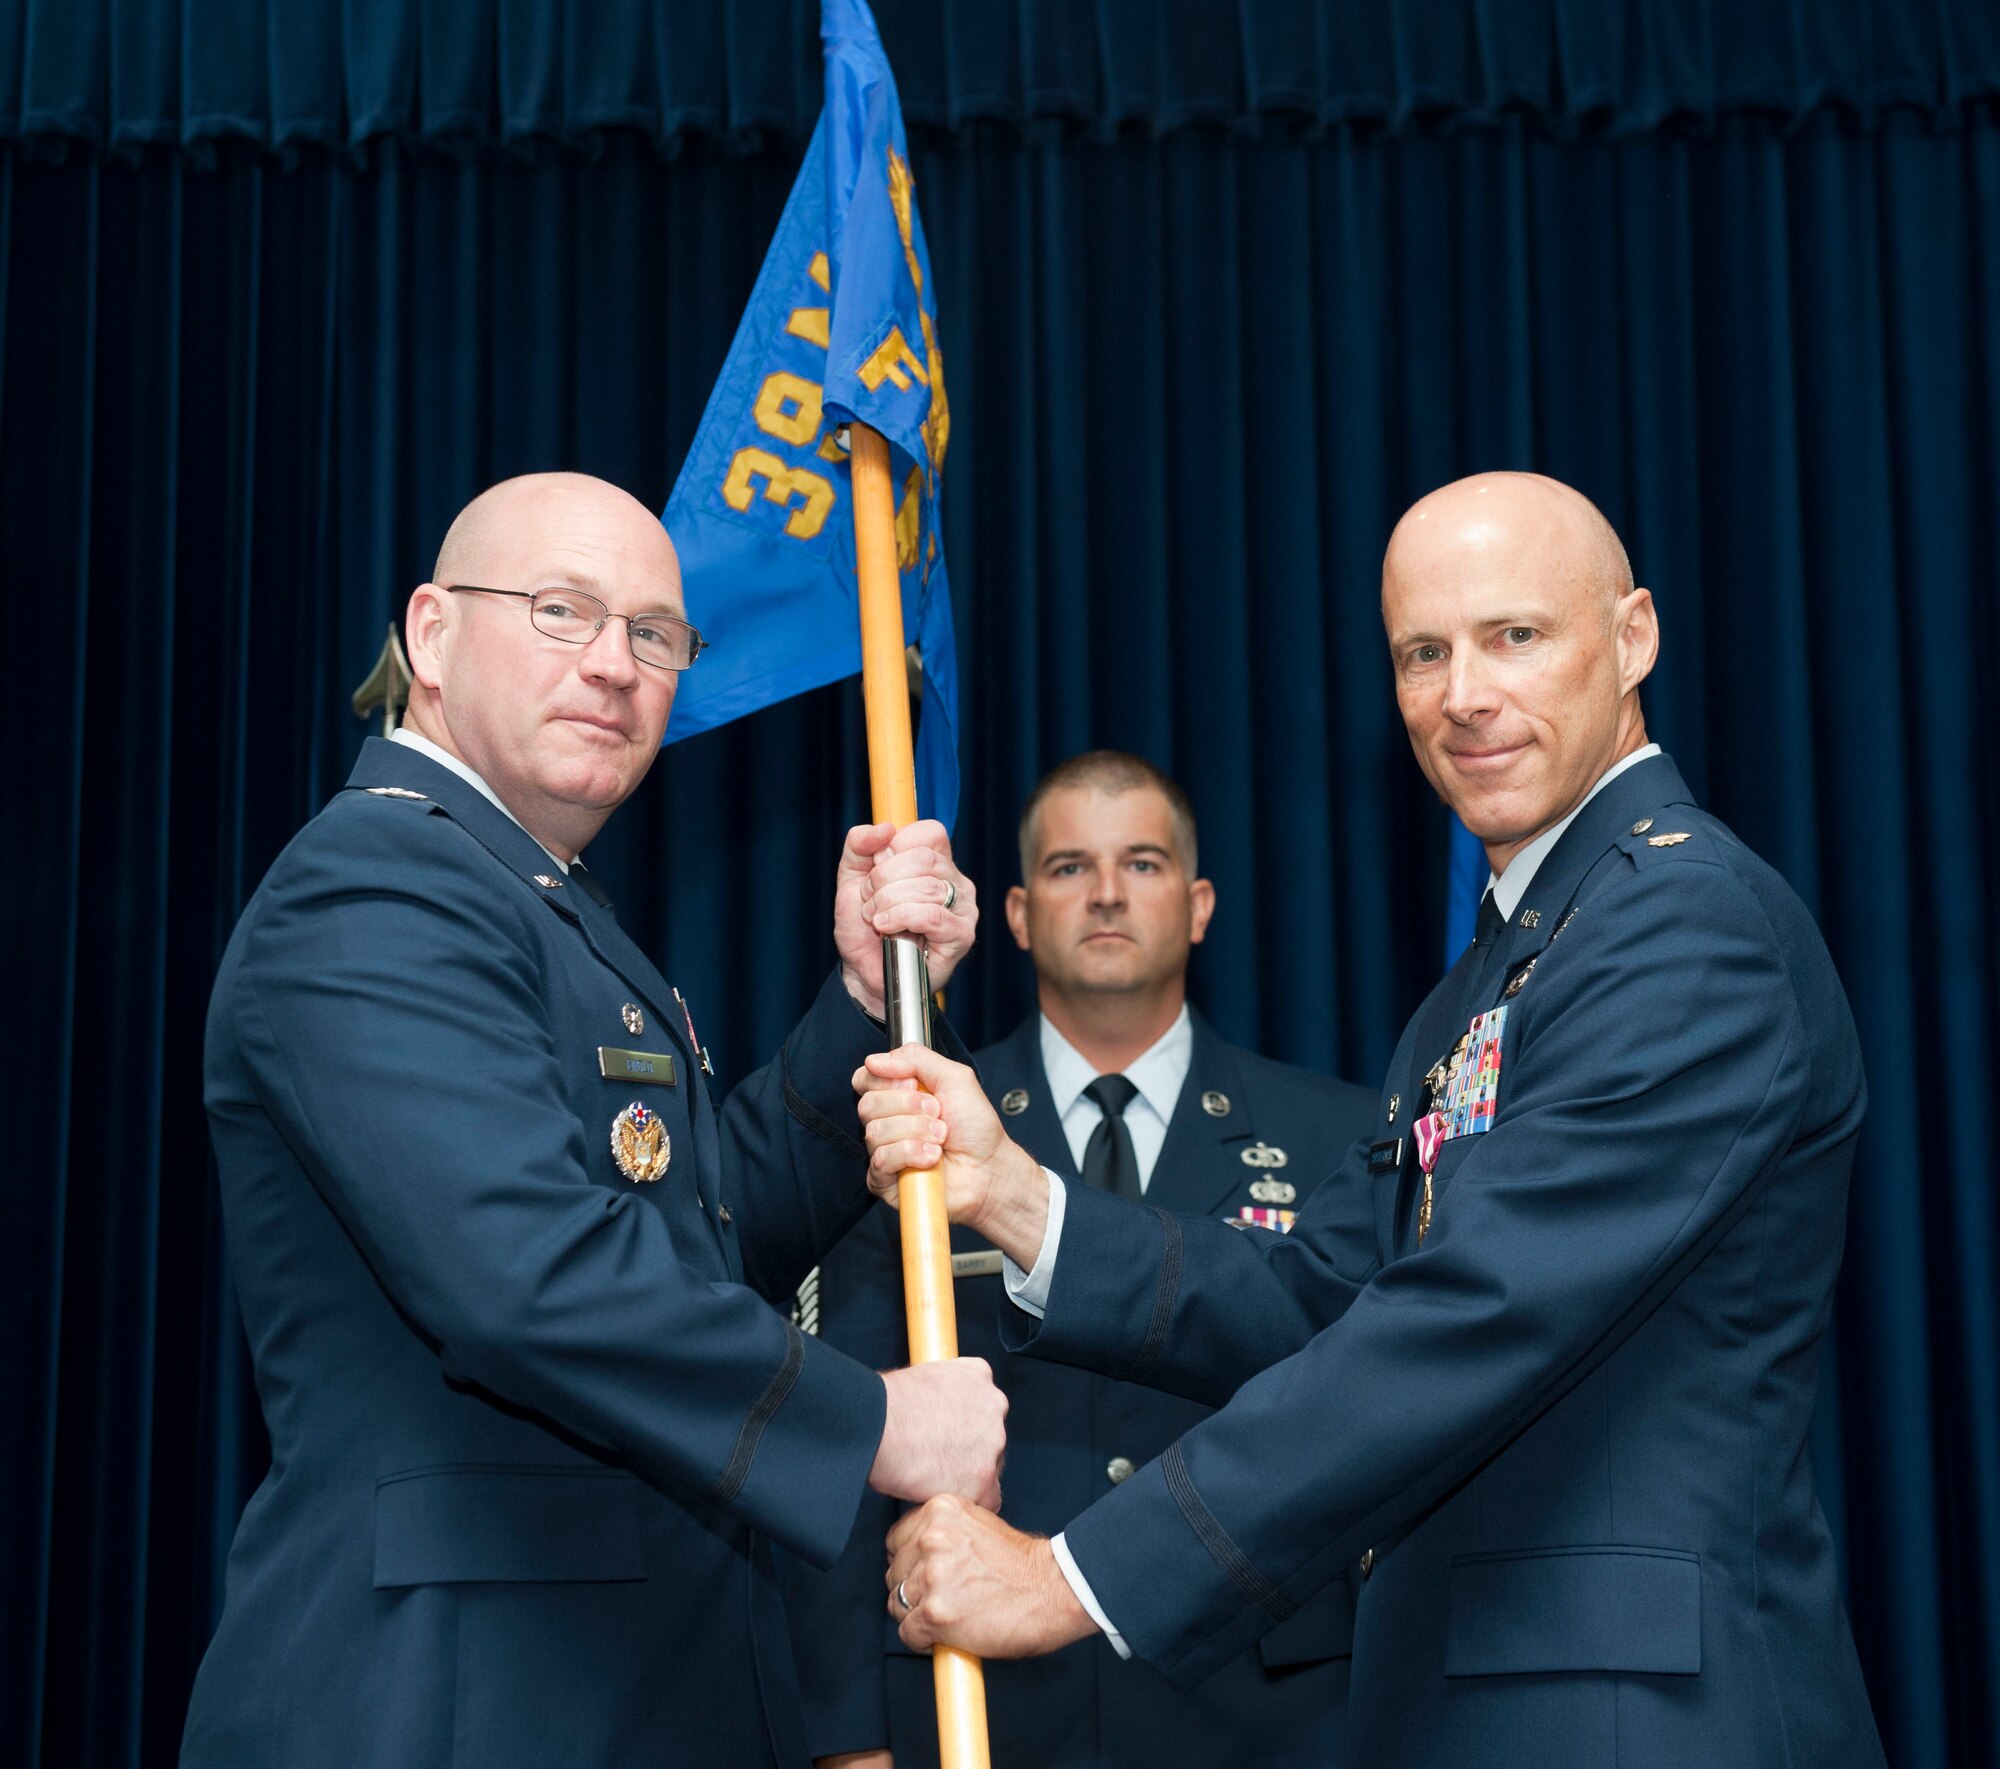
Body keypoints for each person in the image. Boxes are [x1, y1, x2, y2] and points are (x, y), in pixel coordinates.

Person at [856, 473, 1885, 1768]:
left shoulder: (1683, 927)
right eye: (1422, 652)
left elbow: (1474, 1310)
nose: (1464, 694)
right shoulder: (1500, 969)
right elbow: (1333, 1293)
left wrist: (1073, 1576)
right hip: (1472, 1700)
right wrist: (1014, 1195)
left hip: (1626, 1715)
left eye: (1515, 635)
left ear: (1632, 639)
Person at [180, 473, 1007, 1769]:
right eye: (561, 610)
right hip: (458, 1700)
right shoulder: (374, 887)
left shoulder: (530, 898)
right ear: (432, 634)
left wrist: (863, 1000)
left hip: (612, 1685)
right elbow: (524, 1274)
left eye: (656, 633)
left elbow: (700, 1241)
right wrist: (872, 1422)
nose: (616, 664)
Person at [787, 753, 1376, 1768]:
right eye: (1069, 866)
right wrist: (846, 1740)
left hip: (1265, 1710)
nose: (1106, 892)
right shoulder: (912, 1117)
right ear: (1015, 914)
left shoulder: (1335, 1133)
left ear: (1198, 905)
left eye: (1141, 863)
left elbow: (1367, 1426)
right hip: (983, 1706)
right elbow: (839, 1424)